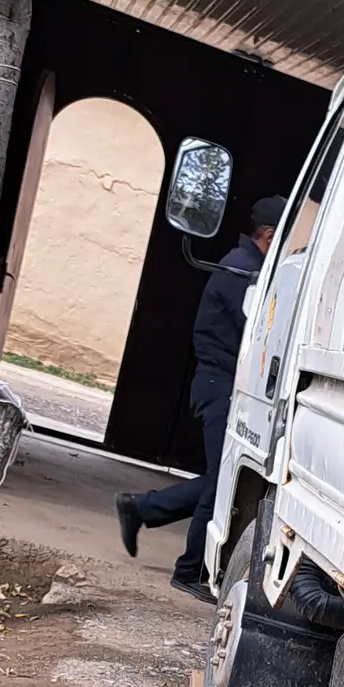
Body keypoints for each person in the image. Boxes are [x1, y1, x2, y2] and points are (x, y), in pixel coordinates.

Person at [115, 194, 287, 601]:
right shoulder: (242, 271)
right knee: (219, 485)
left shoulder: (249, 266)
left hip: (221, 385)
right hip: (219, 386)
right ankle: (188, 570)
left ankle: (141, 508)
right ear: (269, 234)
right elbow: (262, 329)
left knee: (219, 478)